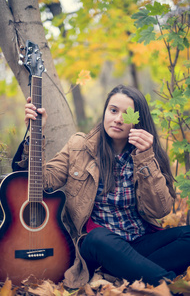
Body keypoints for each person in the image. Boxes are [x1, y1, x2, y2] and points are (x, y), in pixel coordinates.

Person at [22, 84, 190, 289]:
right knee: (97, 238)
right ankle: (170, 286)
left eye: (127, 114)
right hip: (100, 246)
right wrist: (36, 134)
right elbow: (42, 183)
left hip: (140, 244)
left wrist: (145, 159)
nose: (118, 119)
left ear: (138, 121)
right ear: (105, 112)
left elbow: (160, 210)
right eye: (113, 110)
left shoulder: (146, 154)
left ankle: (130, 271)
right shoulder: (79, 147)